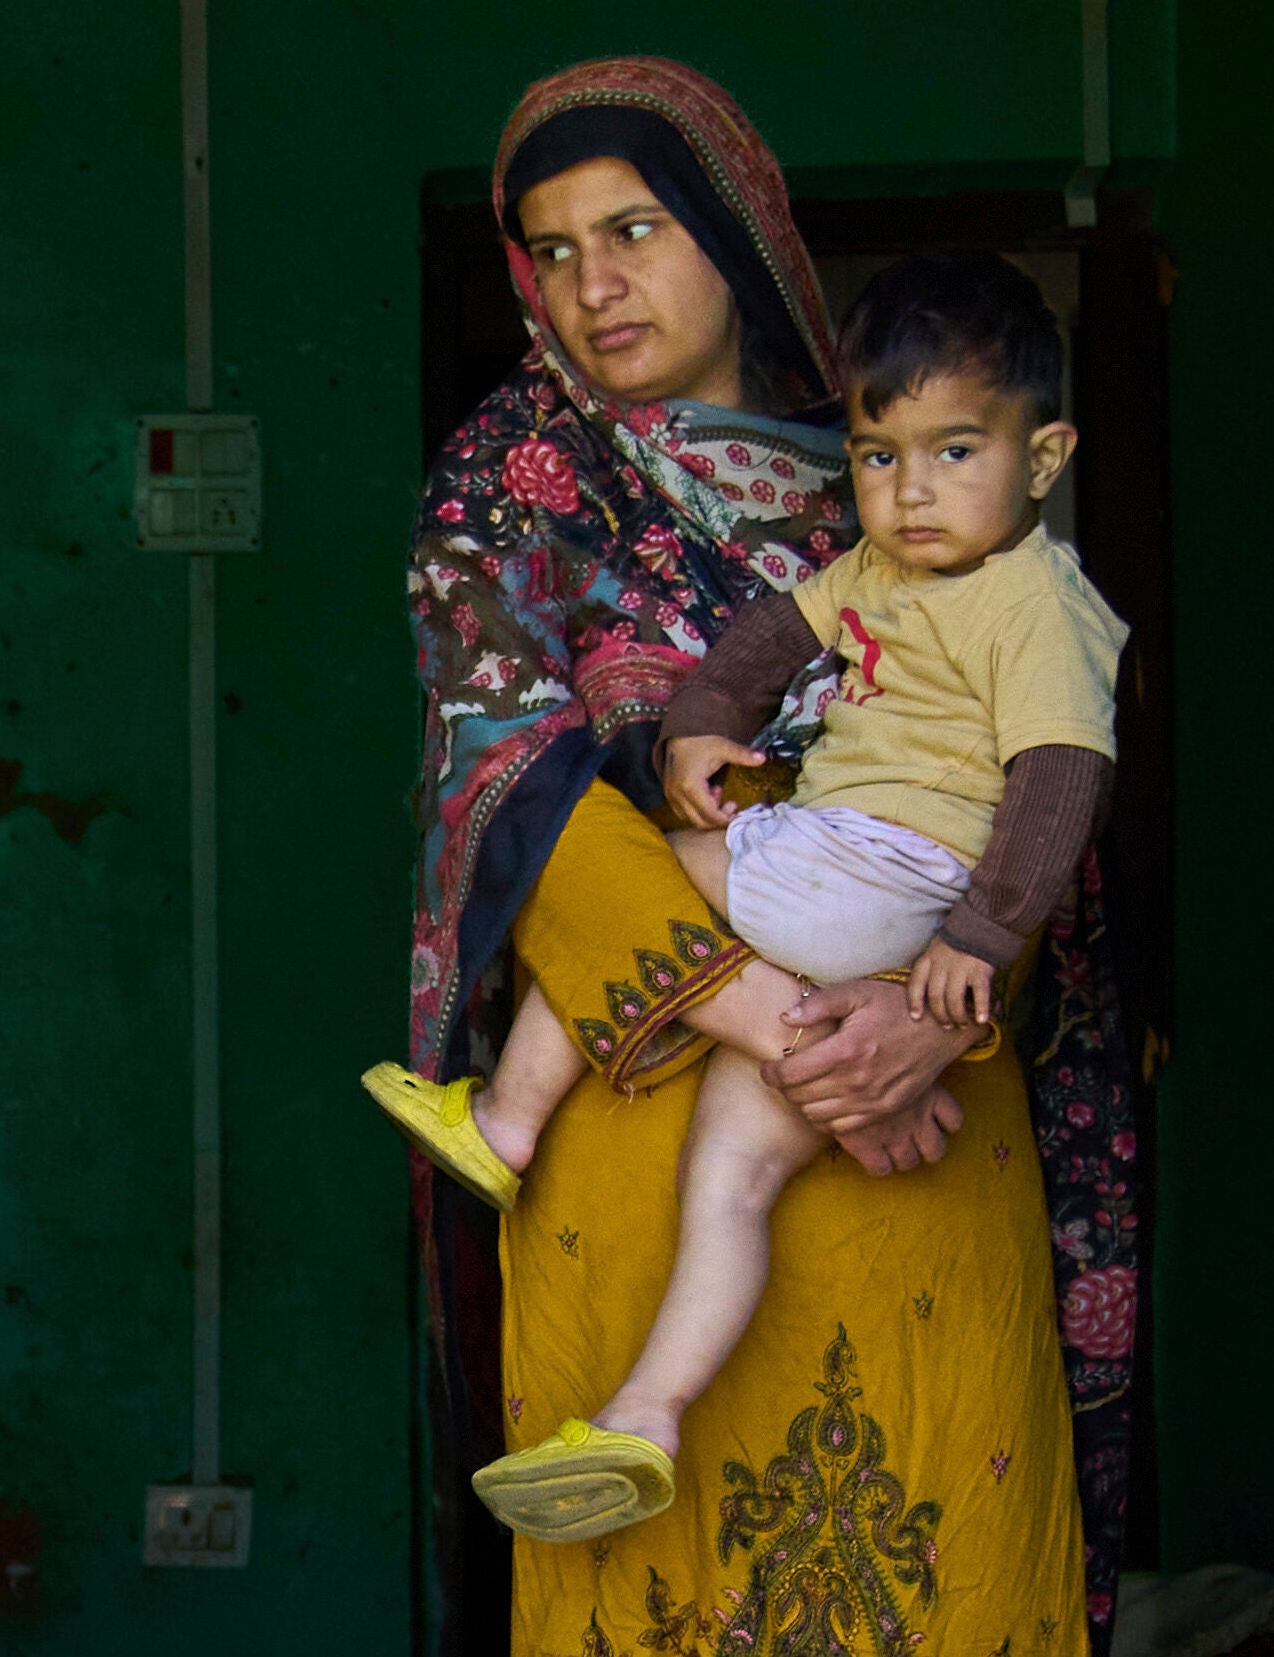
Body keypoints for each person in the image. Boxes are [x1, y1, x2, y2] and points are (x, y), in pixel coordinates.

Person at [393, 59, 1136, 1657]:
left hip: (925, 1162)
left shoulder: (922, 478)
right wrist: (789, 1028)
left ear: (737, 233)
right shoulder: (517, 500)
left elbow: (1049, 791)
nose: (593, 282)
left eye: (635, 227)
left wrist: (920, 1018)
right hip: (650, 1160)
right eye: (552, 248)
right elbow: (514, 802)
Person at [367, 250, 1122, 1543]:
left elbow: (1058, 788)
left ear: (1044, 458)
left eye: (954, 453)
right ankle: (648, 1413)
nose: (911, 489)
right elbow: (759, 648)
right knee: (729, 1178)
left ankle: (504, 1122)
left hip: (889, 935)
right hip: (846, 999)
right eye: (879, 457)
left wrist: (969, 963)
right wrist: (702, 723)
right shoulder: (855, 563)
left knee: (665, 867)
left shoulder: (1026, 595)